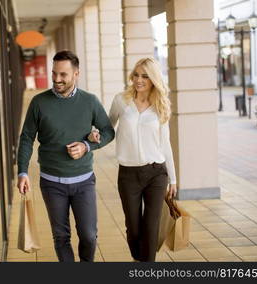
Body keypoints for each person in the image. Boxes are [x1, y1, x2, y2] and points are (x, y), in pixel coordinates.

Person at [17, 50, 115, 262]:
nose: (57, 79)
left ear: (76, 74)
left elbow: (108, 132)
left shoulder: (90, 101)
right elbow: (26, 138)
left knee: (89, 236)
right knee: (61, 237)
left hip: (84, 182)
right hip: (52, 183)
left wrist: (87, 146)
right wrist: (22, 171)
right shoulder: (39, 103)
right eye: (54, 73)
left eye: (63, 75)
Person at [89, 57, 177, 262]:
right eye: (136, 75)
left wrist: (173, 179)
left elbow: (166, 144)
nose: (139, 80)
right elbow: (107, 128)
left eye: (145, 76)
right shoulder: (122, 100)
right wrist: (94, 135)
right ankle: (139, 260)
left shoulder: (160, 105)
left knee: (151, 225)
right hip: (128, 173)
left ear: (153, 79)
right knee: (134, 226)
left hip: (156, 172)